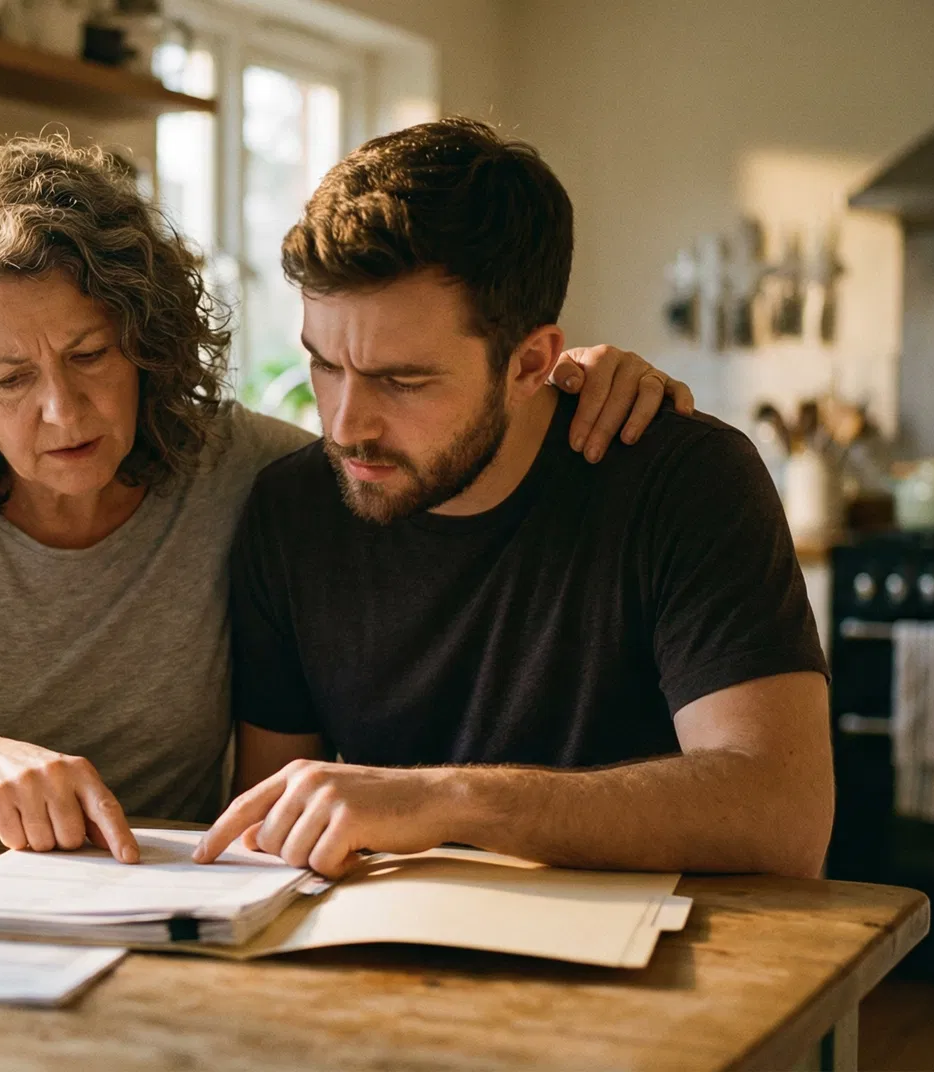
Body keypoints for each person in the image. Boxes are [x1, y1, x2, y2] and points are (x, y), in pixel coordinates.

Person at [0, 135, 694, 863]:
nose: (61, 409)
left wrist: (568, 381)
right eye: (8, 379)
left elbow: (427, 442)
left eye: (89, 355)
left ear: (146, 336)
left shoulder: (247, 469)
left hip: (177, 893)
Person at [193, 118, 833, 879]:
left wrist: (451, 802)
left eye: (403, 381)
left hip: (664, 969)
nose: (344, 425)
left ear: (531, 363)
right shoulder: (292, 510)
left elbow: (782, 815)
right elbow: (266, 837)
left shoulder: (684, 480)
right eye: (324, 365)